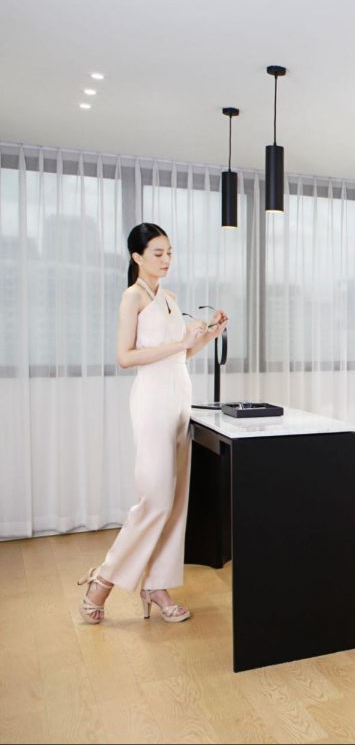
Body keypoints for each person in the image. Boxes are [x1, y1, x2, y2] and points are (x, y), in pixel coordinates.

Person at [77, 223, 228, 624]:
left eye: (169, 252)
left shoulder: (170, 298)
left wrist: (209, 335)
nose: (166, 260)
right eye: (158, 253)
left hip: (180, 398)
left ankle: (156, 585)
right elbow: (125, 357)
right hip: (152, 402)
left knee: (175, 501)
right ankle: (102, 580)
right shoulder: (133, 297)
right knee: (155, 500)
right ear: (137, 257)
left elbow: (180, 354)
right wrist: (180, 342)